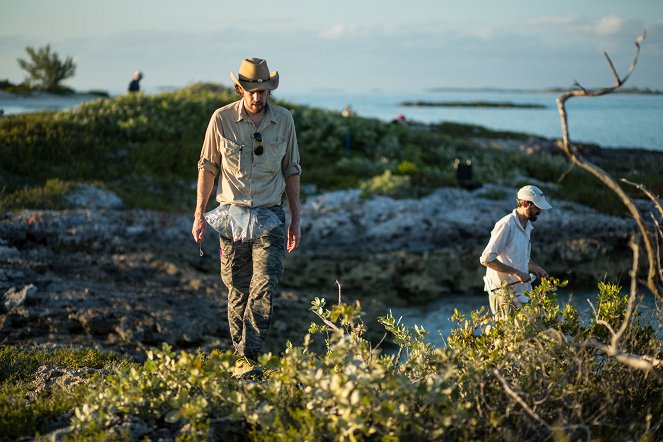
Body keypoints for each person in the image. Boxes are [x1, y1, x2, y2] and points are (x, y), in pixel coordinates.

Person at [191, 57, 301, 377]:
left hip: (271, 215)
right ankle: (242, 358)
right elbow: (207, 167)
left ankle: (247, 357)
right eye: (251, 91)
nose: (257, 97)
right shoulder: (221, 119)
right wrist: (199, 215)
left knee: (264, 286)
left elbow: (291, 170)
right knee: (237, 289)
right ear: (239, 89)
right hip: (231, 216)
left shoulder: (285, 121)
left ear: (269, 90)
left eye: (263, 91)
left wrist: (296, 219)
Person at [479, 185, 552, 320]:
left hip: (522, 293)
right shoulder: (506, 225)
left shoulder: (527, 227)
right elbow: (486, 259)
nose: (540, 211)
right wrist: (516, 273)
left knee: (527, 336)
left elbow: (521, 258)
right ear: (524, 203)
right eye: (537, 207)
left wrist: (537, 269)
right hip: (503, 295)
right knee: (510, 339)